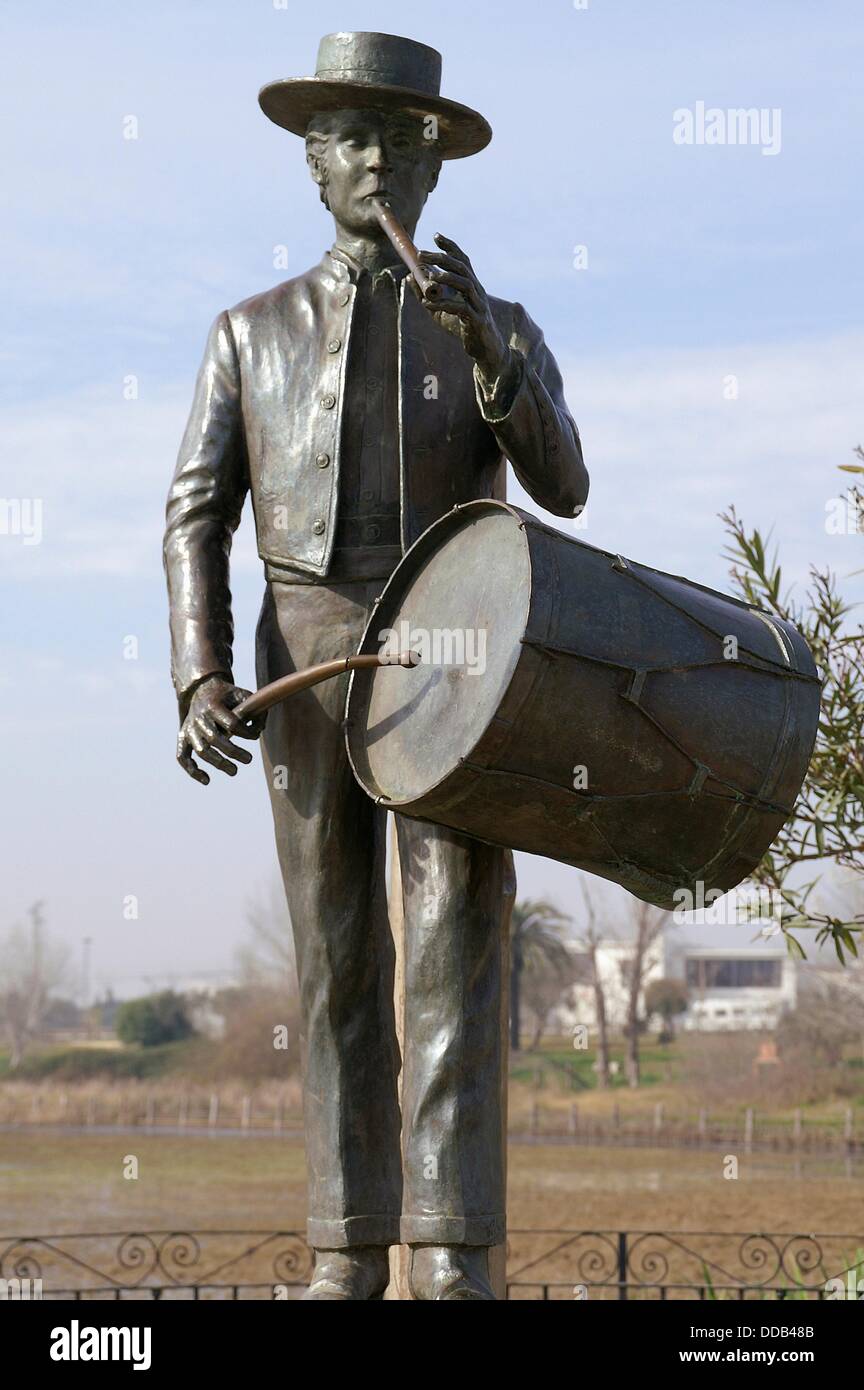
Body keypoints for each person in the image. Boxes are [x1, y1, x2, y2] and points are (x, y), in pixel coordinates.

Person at [164, 31, 588, 1300]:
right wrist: (197, 673)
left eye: (406, 141)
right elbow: (194, 512)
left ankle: (455, 1251)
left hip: (457, 658)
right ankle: (347, 1249)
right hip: (299, 656)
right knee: (339, 957)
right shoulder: (248, 333)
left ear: (437, 170)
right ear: (312, 164)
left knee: (458, 942)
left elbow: (564, 484)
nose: (380, 162)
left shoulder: (495, 324)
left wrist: (495, 364)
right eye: (353, 137)